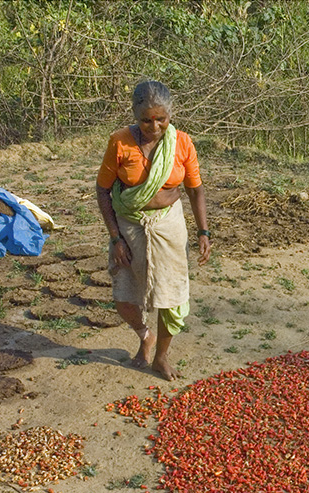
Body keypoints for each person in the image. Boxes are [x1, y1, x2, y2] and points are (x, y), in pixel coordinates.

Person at [95, 80, 211, 381]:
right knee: (124, 295)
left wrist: (203, 232)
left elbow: (195, 190)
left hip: (169, 225)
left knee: (171, 297)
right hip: (129, 225)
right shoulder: (120, 142)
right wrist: (115, 237)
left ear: (170, 115)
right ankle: (144, 335)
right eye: (147, 120)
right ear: (135, 115)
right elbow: (103, 190)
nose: (154, 126)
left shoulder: (182, 143)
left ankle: (160, 357)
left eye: (162, 119)